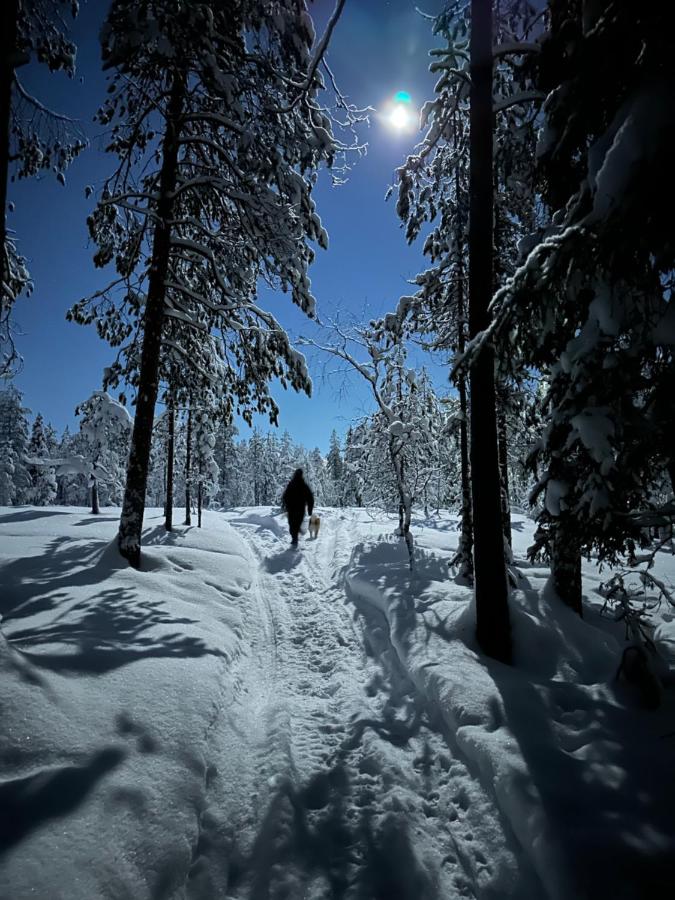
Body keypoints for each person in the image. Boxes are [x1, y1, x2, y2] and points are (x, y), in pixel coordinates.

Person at [281, 468, 314, 548]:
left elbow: (285, 496)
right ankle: (296, 535)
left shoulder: (291, 484)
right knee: (297, 522)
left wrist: (284, 505)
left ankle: (294, 537)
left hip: (291, 508)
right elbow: (310, 498)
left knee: (292, 523)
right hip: (300, 509)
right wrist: (310, 509)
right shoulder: (304, 485)